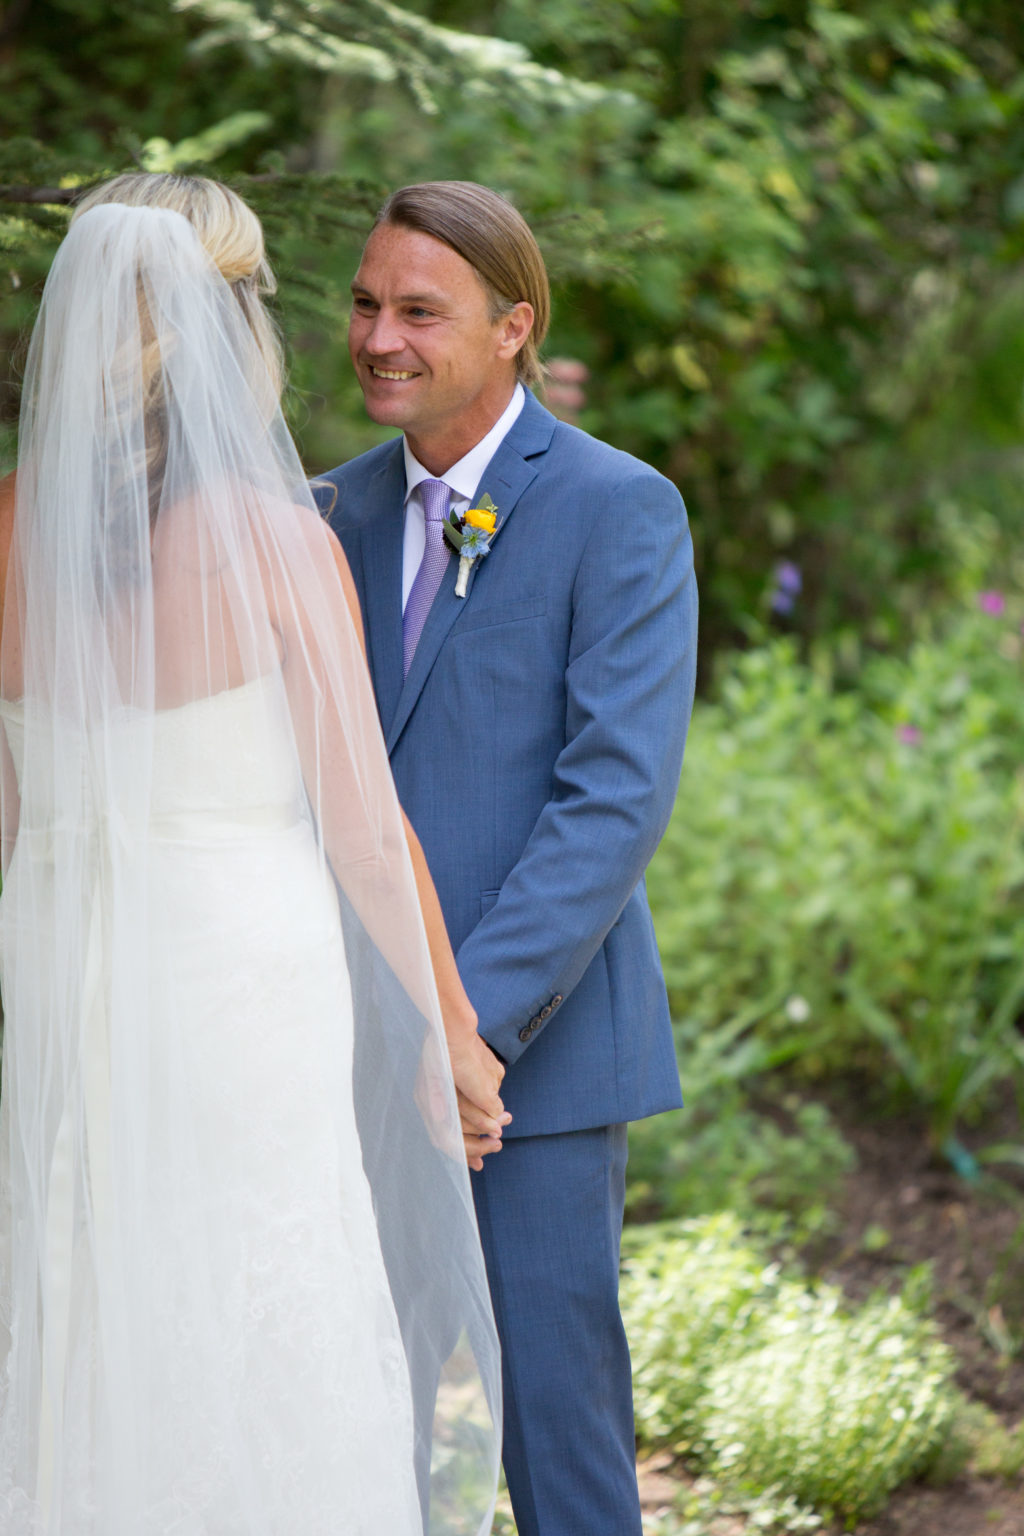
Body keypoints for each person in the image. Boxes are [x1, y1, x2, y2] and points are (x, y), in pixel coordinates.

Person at [0, 174, 504, 1534]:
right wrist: (444, 1030)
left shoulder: (10, 532)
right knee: (255, 1275)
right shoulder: (283, 546)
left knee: (85, 1277)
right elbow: (362, 826)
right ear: (236, 326)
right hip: (238, 985)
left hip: (62, 964)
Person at [316, 181, 698, 1536]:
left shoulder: (619, 509)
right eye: (366, 303)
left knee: (560, 1441)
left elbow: (611, 800)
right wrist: (399, 1031)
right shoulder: (316, 522)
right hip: (339, 1056)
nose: (378, 336)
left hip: (529, 1071)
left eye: (420, 309)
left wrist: (462, 1034)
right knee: (356, 1422)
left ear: (514, 326)